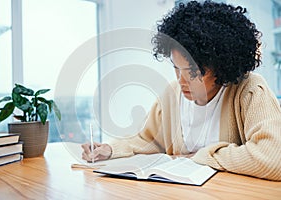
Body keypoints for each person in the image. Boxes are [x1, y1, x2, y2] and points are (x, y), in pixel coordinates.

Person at [82, 0, 281, 181]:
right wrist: (109, 149)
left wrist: (204, 156)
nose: (181, 80)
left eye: (193, 72)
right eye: (176, 68)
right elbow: (148, 139)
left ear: (222, 67)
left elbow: (273, 157)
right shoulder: (172, 94)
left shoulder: (249, 90)